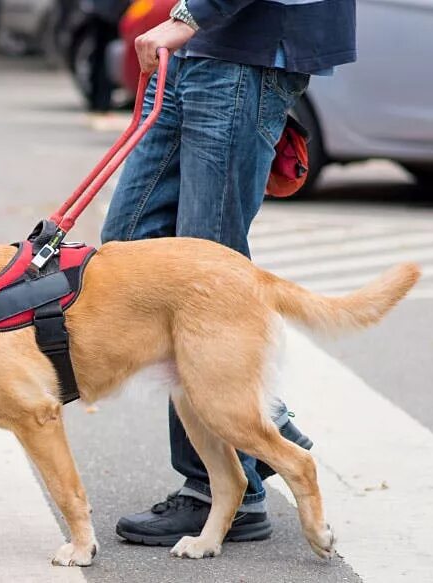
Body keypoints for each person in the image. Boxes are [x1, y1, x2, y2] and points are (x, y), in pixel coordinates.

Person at [100, 0, 356, 545]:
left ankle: (220, 494)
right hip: (195, 48)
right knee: (126, 253)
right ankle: (264, 419)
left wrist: (188, 17)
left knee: (203, 281)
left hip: (244, 51)